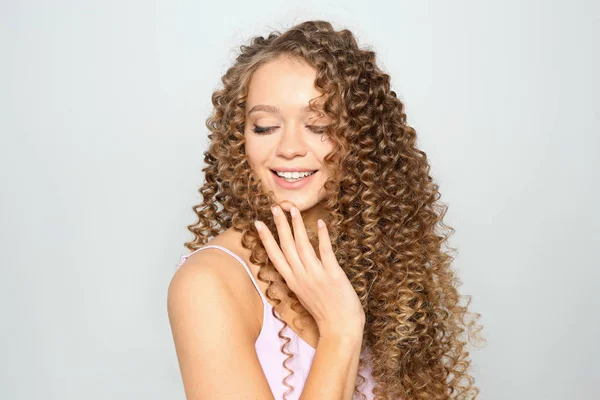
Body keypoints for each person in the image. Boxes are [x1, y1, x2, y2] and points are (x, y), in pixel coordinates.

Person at [167, 20, 483, 400]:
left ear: (362, 140)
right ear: (240, 140)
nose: (289, 148)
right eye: (265, 126)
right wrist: (341, 330)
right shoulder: (209, 283)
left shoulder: (383, 266)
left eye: (318, 124)